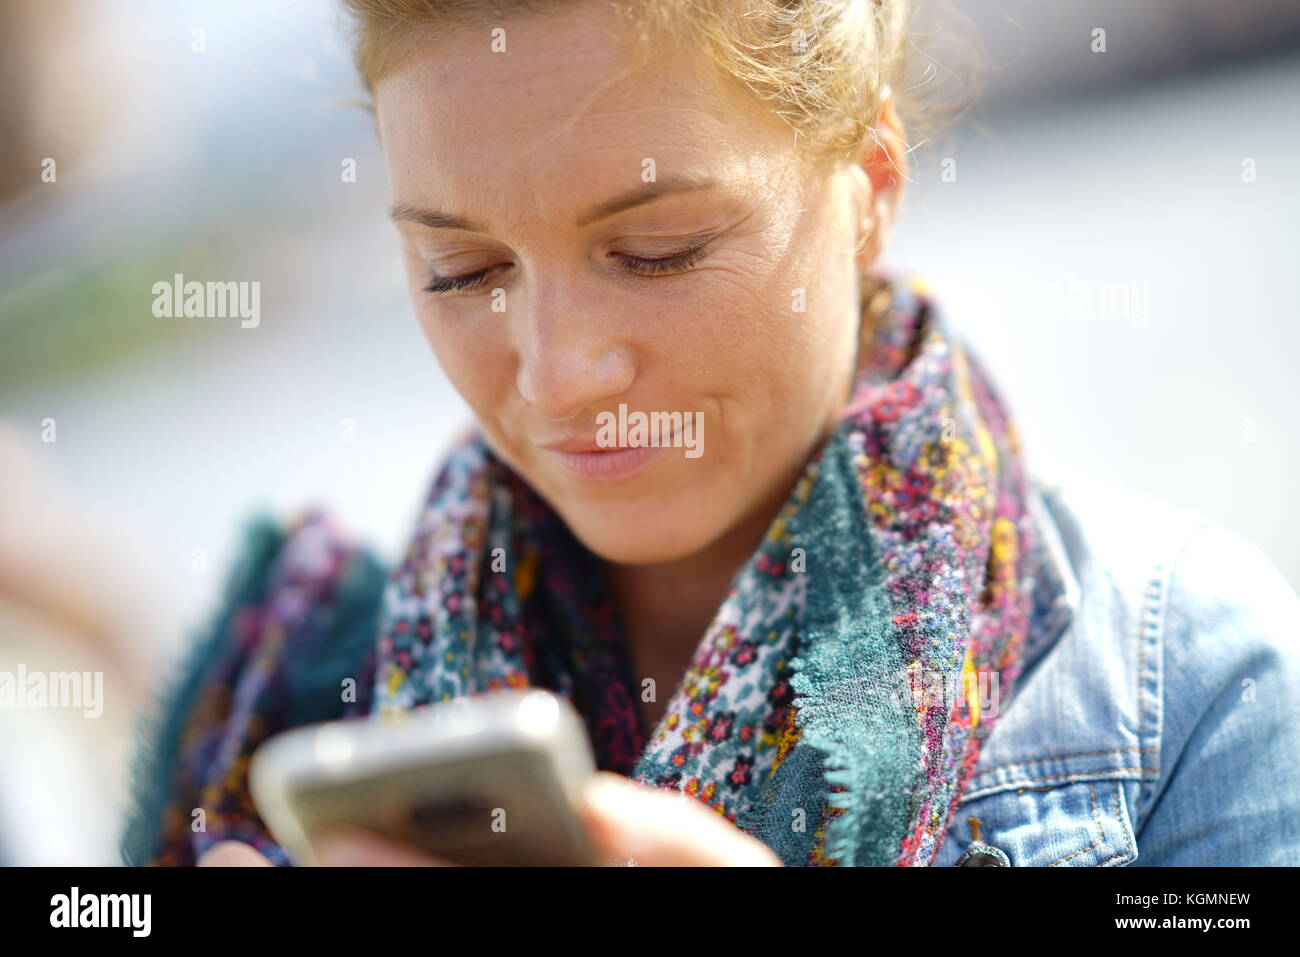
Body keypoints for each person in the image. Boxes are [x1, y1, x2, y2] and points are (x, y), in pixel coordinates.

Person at [121, 0, 1300, 867]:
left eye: (657, 251)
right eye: (462, 269)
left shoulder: (1189, 685)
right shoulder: (295, 699)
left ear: (870, 185)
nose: (560, 373)